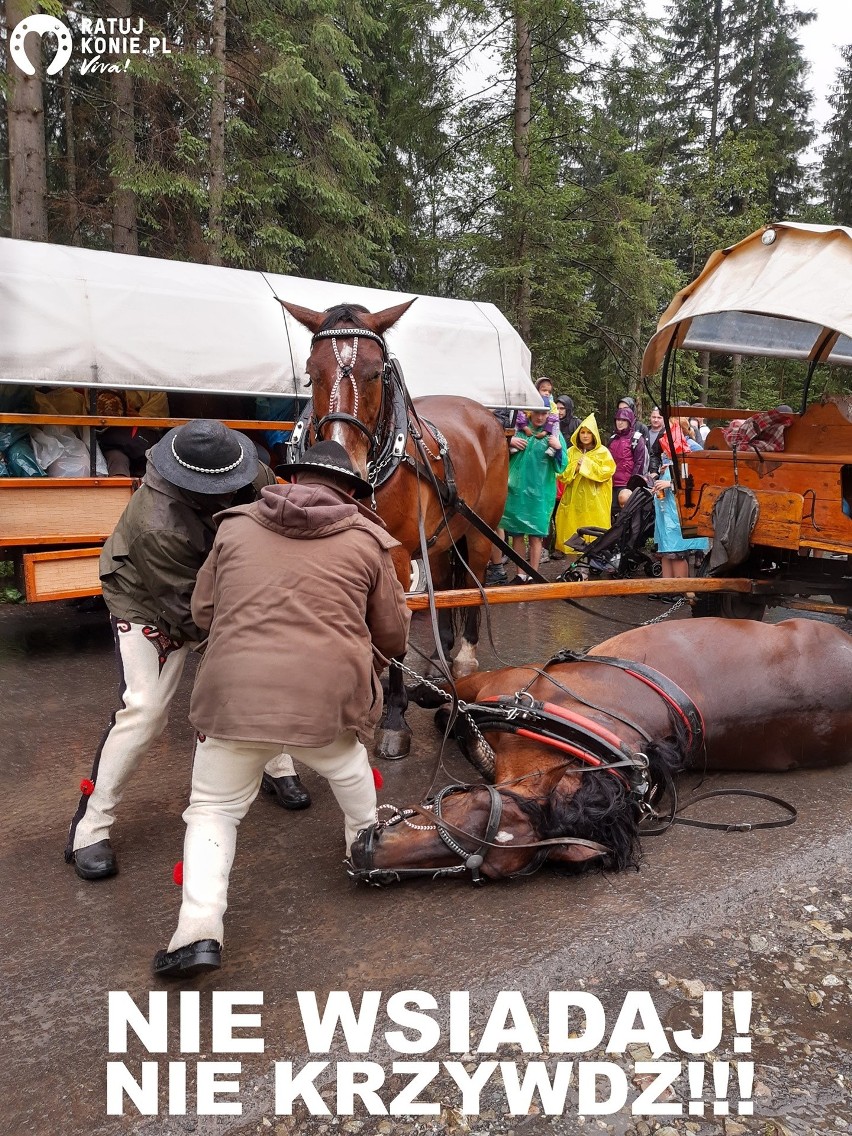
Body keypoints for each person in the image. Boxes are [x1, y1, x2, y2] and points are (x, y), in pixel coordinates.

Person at [152, 440, 411, 977]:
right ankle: (366, 852)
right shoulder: (368, 541)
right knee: (350, 769)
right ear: (352, 493)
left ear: (290, 479)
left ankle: (196, 932)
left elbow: (203, 610)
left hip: (234, 697)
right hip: (324, 700)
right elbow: (392, 635)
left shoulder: (234, 525)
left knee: (213, 808)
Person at [65, 421, 311, 883]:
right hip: (151, 599)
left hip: (224, 582)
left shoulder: (246, 470)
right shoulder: (156, 525)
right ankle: (91, 824)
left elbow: (281, 520)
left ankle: (275, 761)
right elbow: (193, 613)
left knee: (255, 672)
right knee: (145, 709)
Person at [500, 407, 567, 582]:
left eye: (544, 413)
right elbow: (498, 455)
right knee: (516, 534)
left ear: (548, 415)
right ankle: (520, 574)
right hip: (517, 491)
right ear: (530, 413)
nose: (539, 417)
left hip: (541, 492)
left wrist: (558, 449)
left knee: (536, 535)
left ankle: (533, 574)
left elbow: (562, 466)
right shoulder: (519, 432)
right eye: (536, 413)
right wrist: (508, 443)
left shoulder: (553, 435)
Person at [553, 414, 616, 574]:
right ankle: (574, 568)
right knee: (571, 533)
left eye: (589, 432)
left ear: (594, 434)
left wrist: (586, 464)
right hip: (573, 502)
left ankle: (589, 567)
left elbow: (606, 472)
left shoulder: (603, 452)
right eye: (583, 432)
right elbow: (562, 474)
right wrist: (575, 467)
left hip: (594, 503)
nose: (586, 436)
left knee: (592, 535)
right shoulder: (571, 451)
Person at [652, 424, 708, 592]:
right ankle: (666, 588)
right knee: (666, 554)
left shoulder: (684, 461)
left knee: (677, 554)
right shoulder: (669, 463)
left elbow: (690, 485)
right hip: (666, 515)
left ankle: (680, 589)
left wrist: (669, 484)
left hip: (677, 517)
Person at [608, 406, 648, 512]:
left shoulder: (636, 439)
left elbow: (639, 463)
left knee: (627, 515)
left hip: (627, 485)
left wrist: (632, 486)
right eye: (618, 419)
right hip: (611, 485)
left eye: (623, 420)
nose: (620, 422)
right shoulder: (612, 439)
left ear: (630, 421)